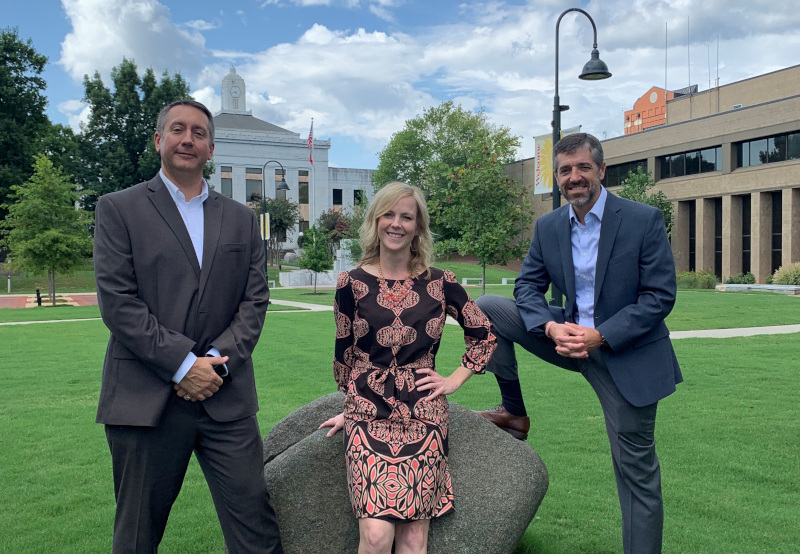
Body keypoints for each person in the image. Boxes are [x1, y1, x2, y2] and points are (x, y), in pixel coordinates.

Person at [475, 133, 682, 554]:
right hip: (566, 340)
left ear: (601, 171)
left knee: (635, 473)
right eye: (565, 170)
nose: (574, 177)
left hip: (624, 353)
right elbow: (528, 286)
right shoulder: (549, 225)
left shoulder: (642, 220)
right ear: (557, 177)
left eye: (583, 167)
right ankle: (513, 412)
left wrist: (600, 335)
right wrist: (551, 329)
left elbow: (659, 296)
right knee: (487, 308)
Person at [94, 99, 283, 553]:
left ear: (211, 148)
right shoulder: (119, 209)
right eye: (178, 129)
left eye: (199, 133)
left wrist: (212, 366)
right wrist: (183, 365)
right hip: (146, 400)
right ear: (160, 140)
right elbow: (118, 304)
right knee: (137, 536)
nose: (188, 139)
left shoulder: (241, 218)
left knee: (257, 532)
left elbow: (255, 300)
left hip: (226, 400)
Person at [319, 182, 497, 554]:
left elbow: (484, 335)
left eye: (406, 216)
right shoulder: (350, 283)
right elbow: (344, 357)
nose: (396, 224)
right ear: (375, 220)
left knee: (414, 540)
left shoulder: (441, 282)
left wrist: (453, 380)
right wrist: (349, 408)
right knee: (376, 536)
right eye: (389, 214)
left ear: (418, 226)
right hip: (367, 415)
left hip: (425, 416)